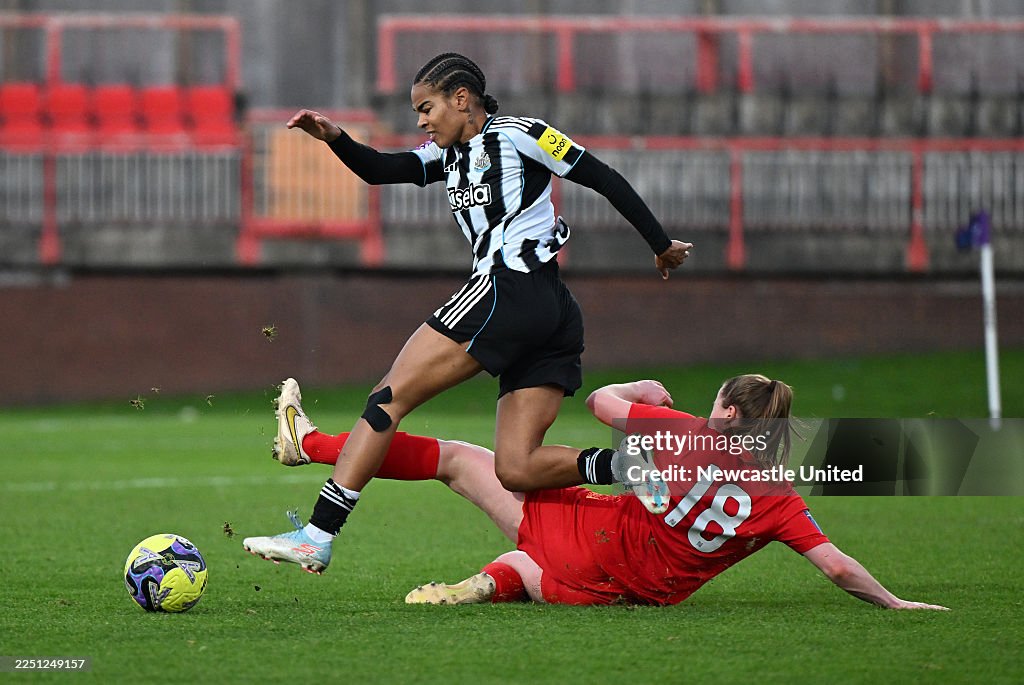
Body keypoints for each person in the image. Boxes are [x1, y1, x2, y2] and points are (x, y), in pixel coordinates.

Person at [242, 52, 692, 573]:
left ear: (461, 99)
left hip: (508, 290)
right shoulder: (445, 156)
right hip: (550, 312)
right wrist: (335, 137)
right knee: (516, 467)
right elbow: (382, 169)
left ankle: (318, 533)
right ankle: (631, 465)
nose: (421, 121)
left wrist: (659, 244)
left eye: (426, 108)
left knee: (388, 398)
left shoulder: (524, 133)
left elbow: (604, 177)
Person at [245, 377, 948, 611]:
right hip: (639, 589)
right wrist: (893, 601)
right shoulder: (779, 493)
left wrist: (641, 391)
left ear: (730, 412)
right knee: (531, 568)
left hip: (599, 531)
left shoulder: (684, 432)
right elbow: (834, 565)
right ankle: (493, 582)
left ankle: (305, 445)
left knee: (460, 459)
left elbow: (604, 400)